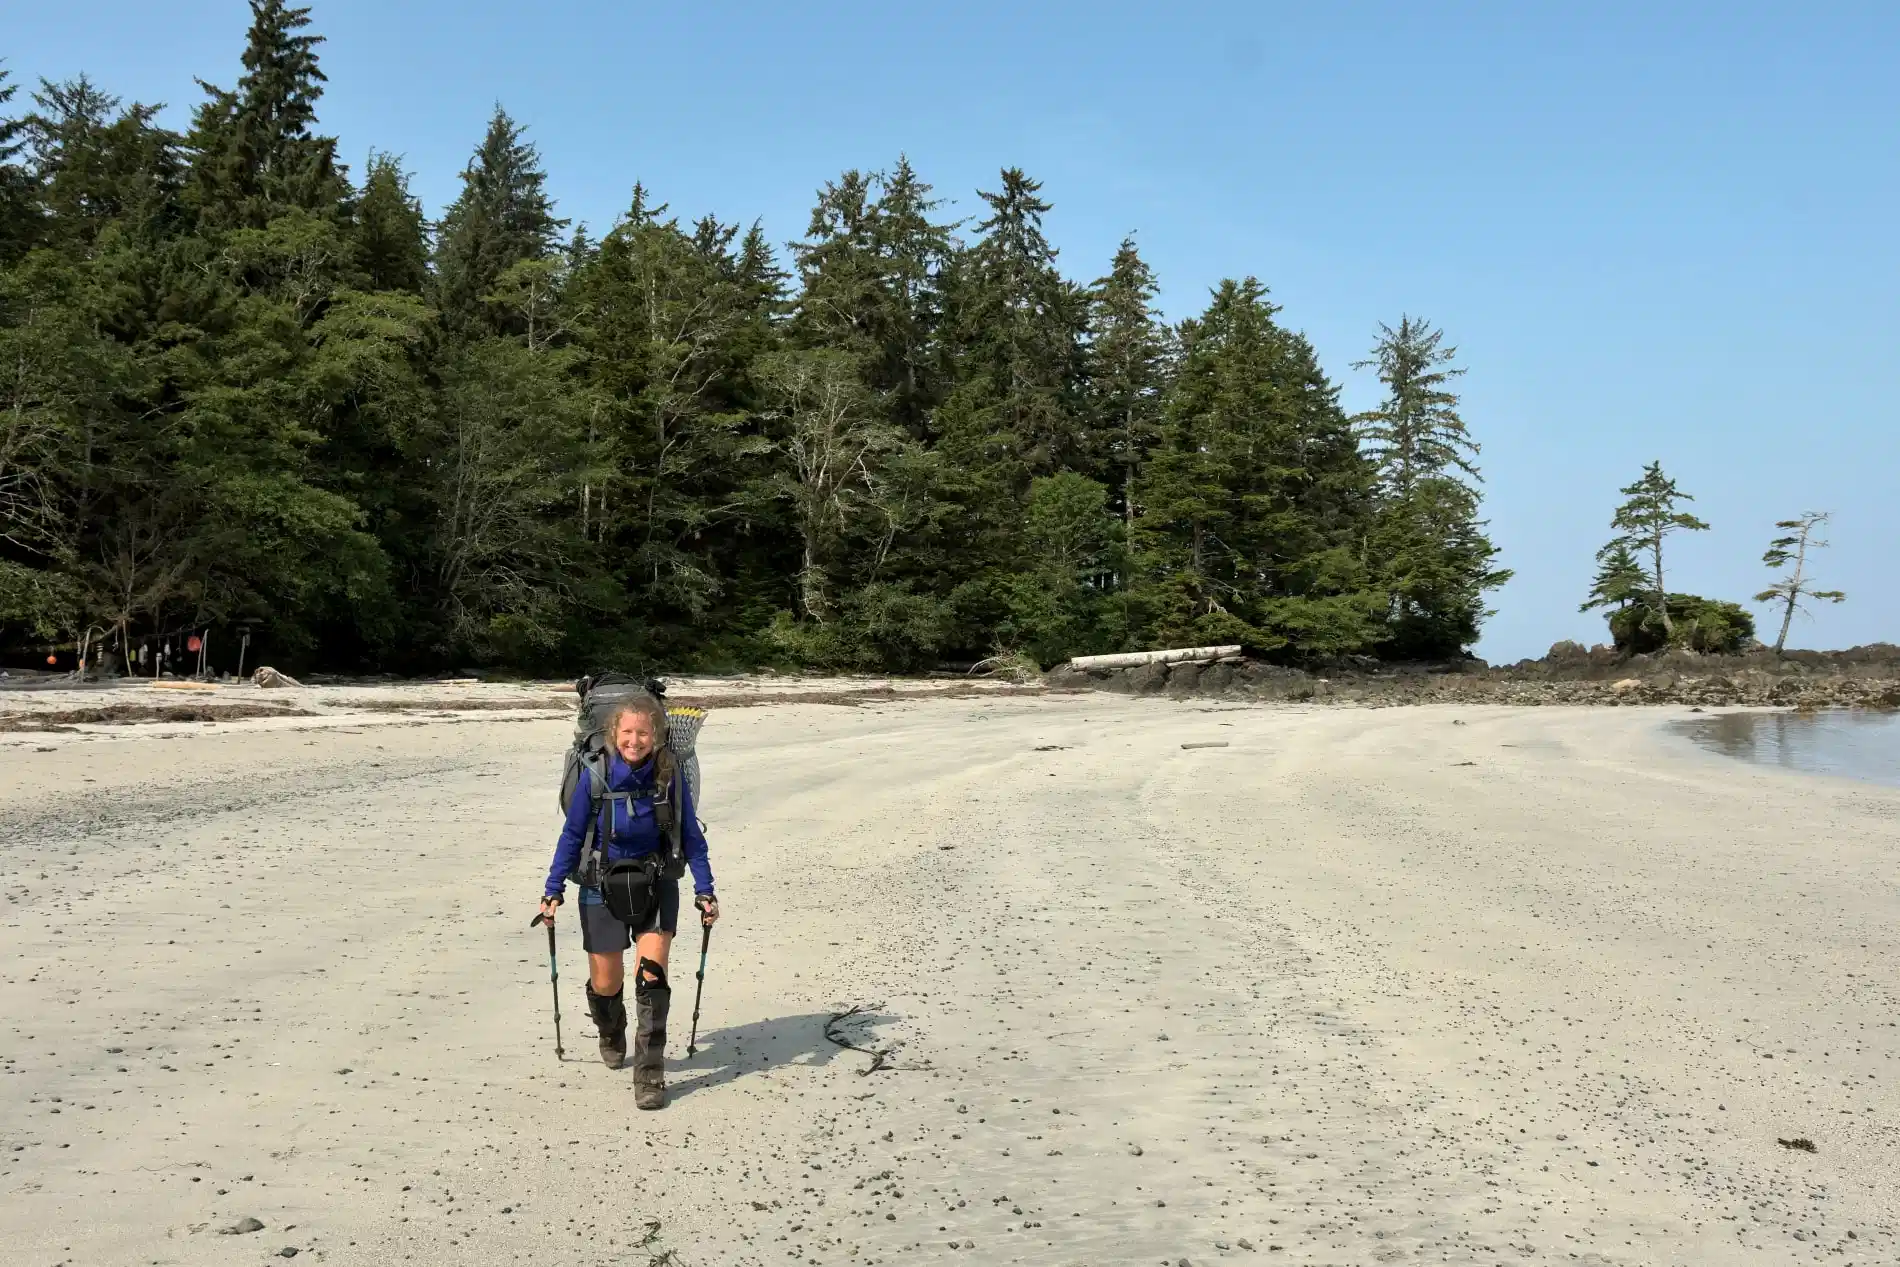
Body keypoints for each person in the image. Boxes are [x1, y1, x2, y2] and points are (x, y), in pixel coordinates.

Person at [538, 692, 718, 1109]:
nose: (634, 741)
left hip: (656, 885)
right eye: (627, 733)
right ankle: (610, 1028)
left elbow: (692, 839)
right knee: (607, 982)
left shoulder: (667, 776)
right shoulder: (594, 775)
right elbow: (571, 835)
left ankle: (650, 1076)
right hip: (601, 886)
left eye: (643, 733)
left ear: (655, 736)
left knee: (651, 978)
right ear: (613, 734)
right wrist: (553, 890)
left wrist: (705, 890)